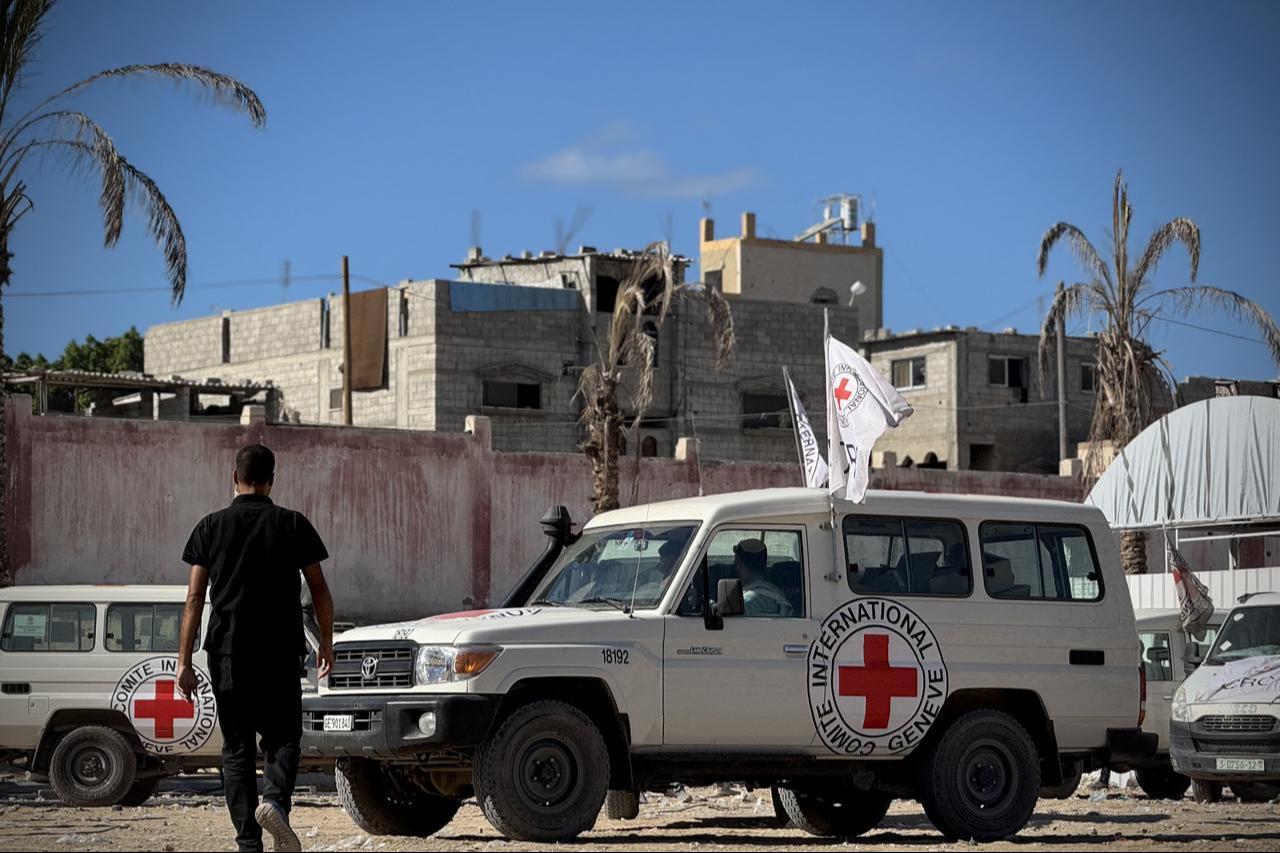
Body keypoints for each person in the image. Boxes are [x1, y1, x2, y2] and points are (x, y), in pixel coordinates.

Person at [177, 444, 335, 853]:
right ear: (272, 480)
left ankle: (249, 842)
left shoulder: (210, 526)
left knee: (237, 748)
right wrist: (327, 644)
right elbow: (319, 591)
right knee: (284, 738)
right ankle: (276, 803)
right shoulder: (292, 524)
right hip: (281, 649)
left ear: (234, 478)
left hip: (228, 651)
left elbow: (195, 598)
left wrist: (183, 662)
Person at [732, 538, 792, 617]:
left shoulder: (755, 598)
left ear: (739, 565)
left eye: (736, 562)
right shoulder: (774, 591)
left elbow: (731, 615)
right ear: (764, 565)